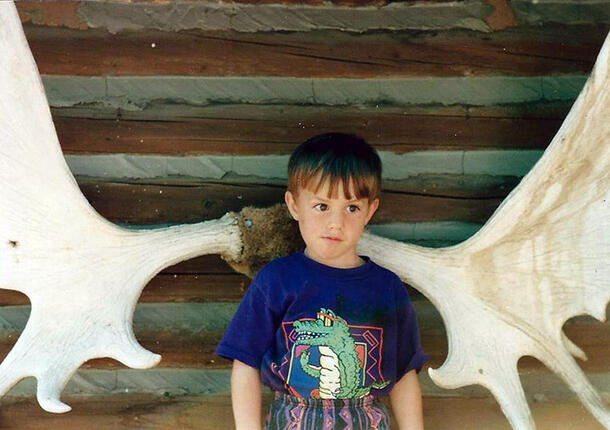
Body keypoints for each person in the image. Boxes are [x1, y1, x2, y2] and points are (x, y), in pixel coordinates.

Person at [215, 133, 428, 429]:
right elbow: (245, 363)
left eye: (351, 207)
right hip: (293, 418)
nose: (335, 223)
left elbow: (405, 374)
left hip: (366, 419)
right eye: (322, 206)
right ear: (294, 205)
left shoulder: (386, 288)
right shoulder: (276, 280)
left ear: (370, 211)